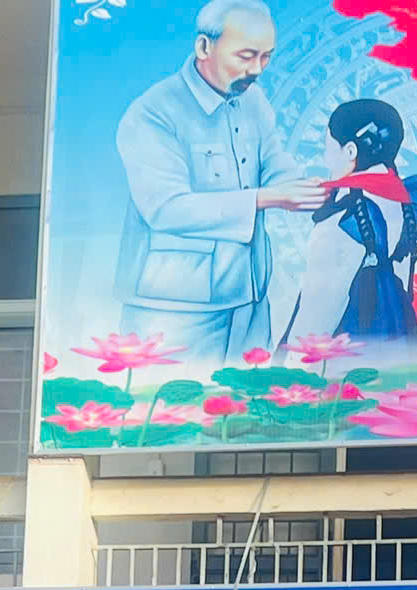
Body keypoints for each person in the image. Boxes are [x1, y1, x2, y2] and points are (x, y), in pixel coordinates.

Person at [114, 0, 324, 366]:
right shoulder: (152, 113)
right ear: (203, 47)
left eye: (266, 57)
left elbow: (272, 160)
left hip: (250, 296)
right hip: (175, 309)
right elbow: (165, 209)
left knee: (251, 399)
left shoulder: (252, 99)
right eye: (246, 56)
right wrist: (267, 198)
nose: (257, 69)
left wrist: (304, 188)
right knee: (174, 401)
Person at [281, 97, 417, 366]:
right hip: (398, 338)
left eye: (328, 148)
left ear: (350, 151)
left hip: (352, 352)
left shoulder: (342, 219)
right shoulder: (404, 202)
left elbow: (317, 317)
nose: (326, 159)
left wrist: (291, 370)